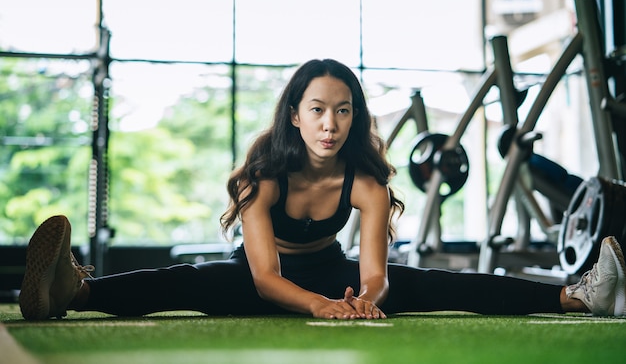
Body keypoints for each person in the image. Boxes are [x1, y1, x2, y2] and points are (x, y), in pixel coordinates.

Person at [19, 58, 626, 321]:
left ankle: (578, 297)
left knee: (443, 283)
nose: (330, 124)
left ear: (354, 117)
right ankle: (73, 289)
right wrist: (319, 306)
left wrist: (362, 298)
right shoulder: (263, 179)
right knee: (193, 280)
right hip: (264, 277)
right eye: (317, 110)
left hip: (334, 272)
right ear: (295, 116)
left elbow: (377, 270)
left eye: (342, 111)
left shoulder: (364, 182)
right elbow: (262, 278)